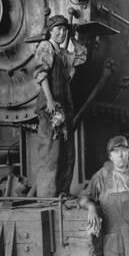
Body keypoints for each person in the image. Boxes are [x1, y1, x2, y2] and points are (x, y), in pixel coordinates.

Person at [34, 15, 86, 197]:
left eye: (64, 30)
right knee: (50, 150)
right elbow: (41, 74)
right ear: (50, 31)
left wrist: (73, 37)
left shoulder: (63, 53)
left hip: (65, 106)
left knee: (67, 151)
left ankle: (62, 192)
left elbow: (81, 57)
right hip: (51, 106)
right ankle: (47, 196)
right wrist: (49, 100)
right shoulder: (45, 47)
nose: (61, 33)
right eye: (58, 29)